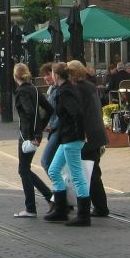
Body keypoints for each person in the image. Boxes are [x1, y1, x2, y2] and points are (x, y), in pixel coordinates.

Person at [46, 61, 92, 227]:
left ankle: (83, 215)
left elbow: (77, 113)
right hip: (67, 138)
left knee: (77, 175)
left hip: (71, 138)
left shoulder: (65, 91)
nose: (51, 75)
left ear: (56, 75)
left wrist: (80, 135)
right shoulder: (65, 89)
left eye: (51, 73)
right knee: (53, 169)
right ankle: (60, 209)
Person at [13, 63, 53, 218]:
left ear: (16, 76)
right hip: (35, 134)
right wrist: (41, 128)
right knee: (25, 169)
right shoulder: (35, 89)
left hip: (26, 136)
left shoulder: (22, 91)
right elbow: (49, 109)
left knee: (23, 170)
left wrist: (31, 135)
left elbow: (29, 112)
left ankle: (31, 208)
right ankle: (49, 197)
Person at [78, 65, 110, 218]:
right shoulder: (90, 86)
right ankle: (100, 205)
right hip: (97, 135)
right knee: (93, 171)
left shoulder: (79, 89)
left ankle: (100, 207)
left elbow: (80, 113)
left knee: (90, 172)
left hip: (88, 137)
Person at [39, 63, 61, 175]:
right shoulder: (52, 90)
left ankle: (60, 188)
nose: (45, 77)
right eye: (44, 75)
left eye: (47, 74)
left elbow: (56, 111)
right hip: (55, 129)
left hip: (58, 130)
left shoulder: (59, 90)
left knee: (46, 162)